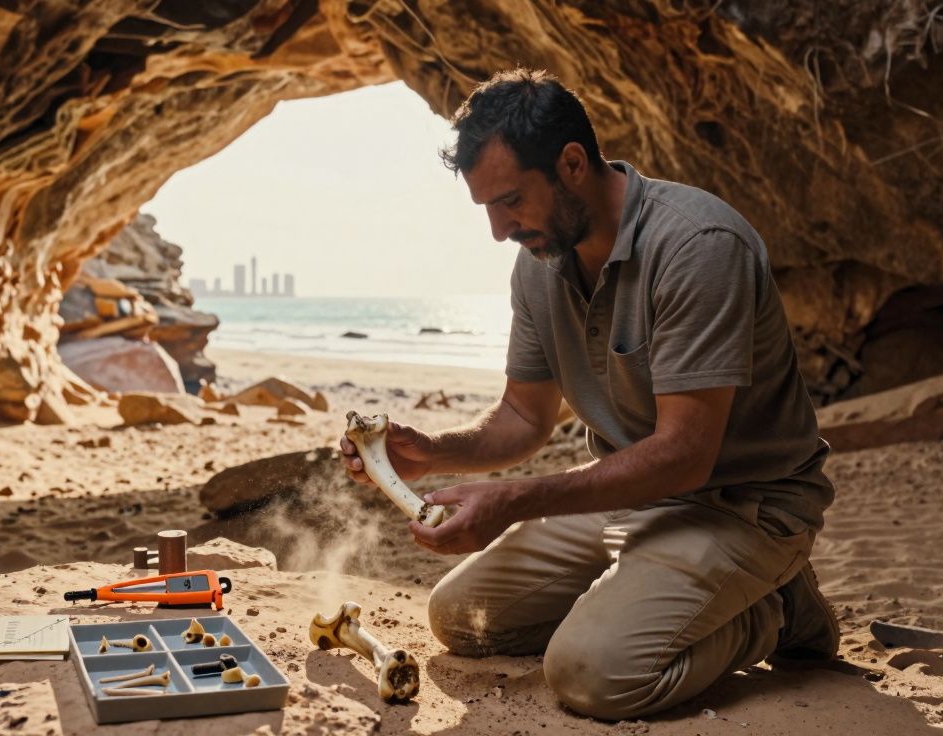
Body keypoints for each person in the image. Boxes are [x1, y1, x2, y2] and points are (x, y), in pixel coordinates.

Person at [338, 68, 839, 720]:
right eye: (486, 207)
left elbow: (685, 455)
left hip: (743, 507)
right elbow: (523, 416)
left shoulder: (697, 247)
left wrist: (515, 500)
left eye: (510, 200)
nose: (497, 230)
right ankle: (655, 593)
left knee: (590, 674)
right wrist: (430, 451)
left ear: (572, 163)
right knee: (461, 616)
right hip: (629, 501)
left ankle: (775, 611)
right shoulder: (540, 263)